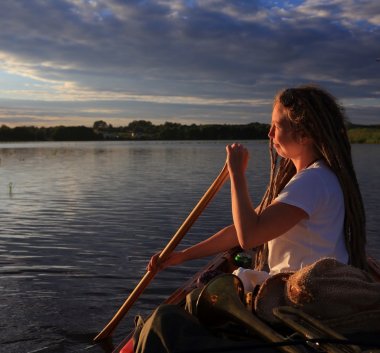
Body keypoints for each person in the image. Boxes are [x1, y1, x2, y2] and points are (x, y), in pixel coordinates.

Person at [135, 85, 367, 352]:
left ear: (304, 134)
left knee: (166, 322)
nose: (269, 134)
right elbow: (238, 230)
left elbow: (248, 237)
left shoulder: (312, 181)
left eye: (276, 126)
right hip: (299, 294)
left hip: (299, 302)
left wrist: (237, 174)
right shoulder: (315, 178)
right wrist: (182, 255)